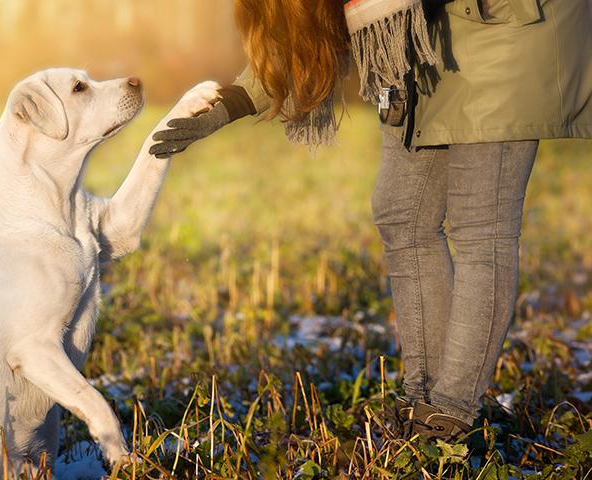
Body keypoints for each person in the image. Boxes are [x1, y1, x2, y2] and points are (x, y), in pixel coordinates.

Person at [150, 0, 592, 441]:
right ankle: (425, 396)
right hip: (418, 35)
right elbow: (309, 21)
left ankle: (450, 413)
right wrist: (233, 102)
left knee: (480, 224)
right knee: (402, 212)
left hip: (499, 23)